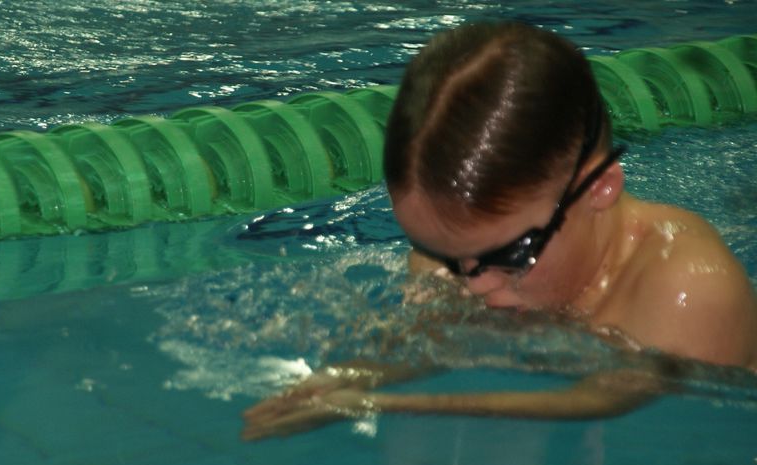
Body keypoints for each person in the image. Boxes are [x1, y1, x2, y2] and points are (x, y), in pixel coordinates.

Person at [242, 21, 757, 441]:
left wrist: (387, 403)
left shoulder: (688, 289)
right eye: (442, 253)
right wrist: (348, 375)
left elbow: (604, 401)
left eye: (511, 254)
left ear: (599, 188)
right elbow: (432, 340)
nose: (473, 284)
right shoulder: (466, 255)